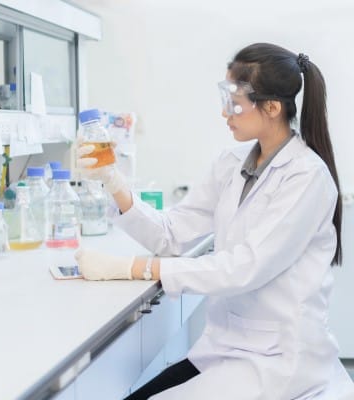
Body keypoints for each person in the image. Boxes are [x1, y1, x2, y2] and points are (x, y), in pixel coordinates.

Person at [75, 43, 354, 399]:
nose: (225, 113)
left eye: (234, 102)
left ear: (272, 107)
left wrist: (136, 268)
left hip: (277, 358)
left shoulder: (307, 177)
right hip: (226, 347)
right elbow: (171, 234)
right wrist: (114, 182)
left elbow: (243, 268)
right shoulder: (232, 163)